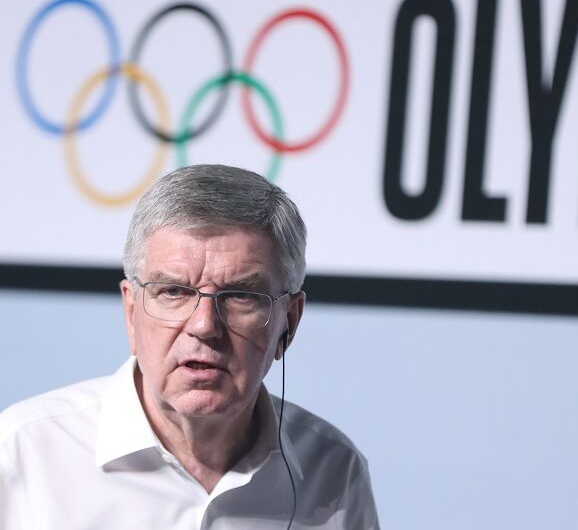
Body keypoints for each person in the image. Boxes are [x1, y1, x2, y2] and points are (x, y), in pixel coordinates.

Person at [0, 165, 379, 529]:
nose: (204, 326)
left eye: (240, 296)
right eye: (174, 292)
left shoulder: (334, 473)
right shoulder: (23, 452)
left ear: (289, 323)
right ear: (131, 312)